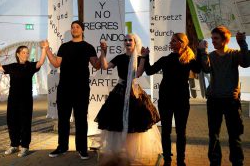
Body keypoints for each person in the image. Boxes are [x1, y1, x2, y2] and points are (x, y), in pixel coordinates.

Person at [95, 33, 162, 165]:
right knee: (117, 121)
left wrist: (143, 58)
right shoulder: (120, 57)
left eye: (130, 40)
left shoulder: (138, 57)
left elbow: (137, 73)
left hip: (133, 92)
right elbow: (104, 66)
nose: (127, 42)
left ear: (135, 42)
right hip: (120, 91)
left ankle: (132, 151)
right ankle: (121, 150)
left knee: (135, 122)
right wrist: (103, 51)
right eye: (125, 40)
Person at [47, 20, 101, 159]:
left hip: (81, 89)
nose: (74, 29)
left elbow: (96, 65)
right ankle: (62, 147)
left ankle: (82, 149)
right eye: (72, 27)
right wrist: (47, 50)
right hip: (64, 88)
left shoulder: (88, 47)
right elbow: (56, 63)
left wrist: (104, 52)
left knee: (81, 119)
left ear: (82, 30)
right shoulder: (64, 47)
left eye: (77, 27)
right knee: (63, 119)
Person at [145, 33, 201, 166]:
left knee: (181, 131)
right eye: (171, 41)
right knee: (166, 131)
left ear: (182, 43)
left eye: (174, 41)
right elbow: (149, 70)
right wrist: (145, 56)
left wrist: (200, 51)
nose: (171, 43)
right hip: (165, 100)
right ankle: (167, 160)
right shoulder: (166, 59)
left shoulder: (188, 60)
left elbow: (198, 69)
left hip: (181, 100)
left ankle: (181, 161)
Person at [198, 26, 250, 166]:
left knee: (235, 135)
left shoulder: (234, 54)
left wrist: (242, 43)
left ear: (225, 40)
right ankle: (215, 162)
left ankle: (237, 162)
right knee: (213, 135)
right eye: (212, 38)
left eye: (216, 38)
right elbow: (206, 68)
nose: (213, 41)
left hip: (231, 101)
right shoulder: (211, 56)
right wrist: (202, 51)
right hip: (214, 101)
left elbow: (246, 63)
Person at [0, 42, 47, 157]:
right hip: (13, 98)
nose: (26, 54)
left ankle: (25, 146)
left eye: (27, 53)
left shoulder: (30, 66)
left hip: (26, 99)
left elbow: (41, 62)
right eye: (23, 52)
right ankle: (14, 144)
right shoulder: (12, 66)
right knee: (12, 121)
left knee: (25, 122)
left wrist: (44, 49)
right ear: (18, 54)